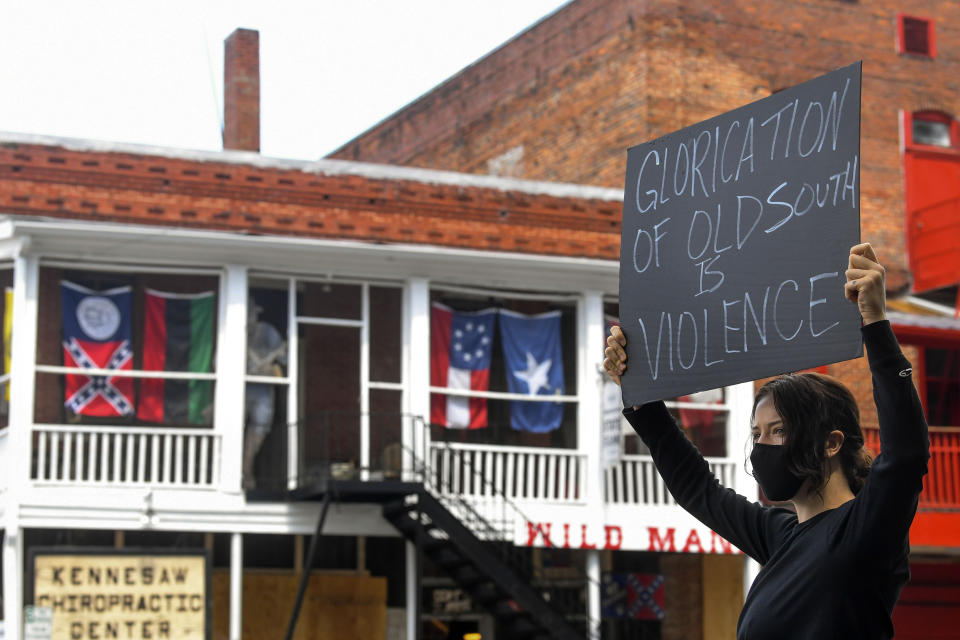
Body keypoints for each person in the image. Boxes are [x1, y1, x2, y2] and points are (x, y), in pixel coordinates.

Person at [602, 243, 929, 639]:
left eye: (779, 431)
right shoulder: (780, 536)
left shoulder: (865, 530)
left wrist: (875, 321)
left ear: (831, 443)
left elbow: (906, 454)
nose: (762, 447)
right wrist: (639, 394)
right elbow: (697, 489)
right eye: (756, 434)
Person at [243, 301, 287, 488]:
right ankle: (238, 473)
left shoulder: (268, 332)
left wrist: (271, 368)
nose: (249, 319)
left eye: (251, 314)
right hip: (239, 391)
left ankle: (246, 470)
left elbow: (284, 360)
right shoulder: (233, 331)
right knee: (233, 427)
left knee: (259, 430)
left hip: (263, 393)